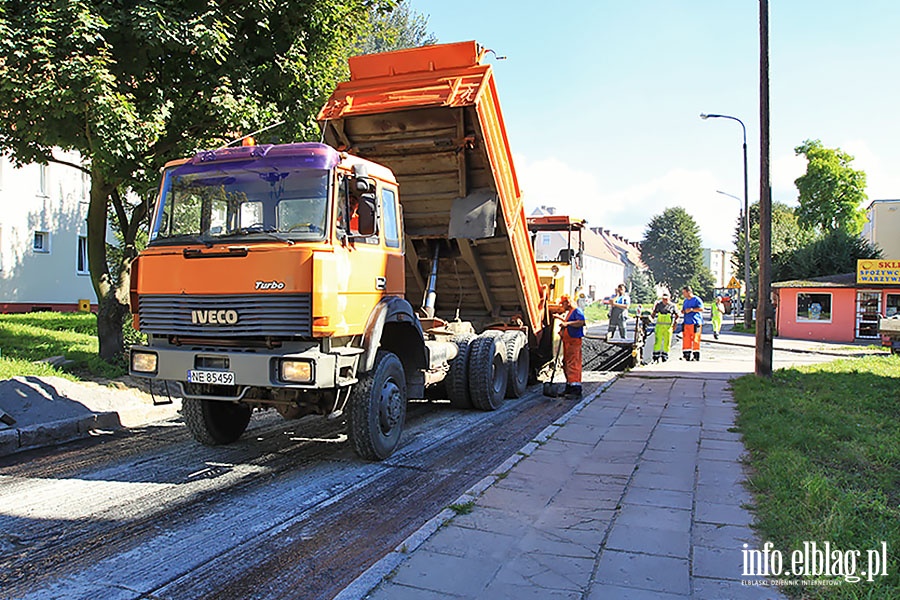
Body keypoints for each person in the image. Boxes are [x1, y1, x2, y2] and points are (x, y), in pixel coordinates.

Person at [554, 295, 585, 398]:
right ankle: (569, 387)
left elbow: (581, 322)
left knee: (573, 364)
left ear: (568, 302)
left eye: (563, 303)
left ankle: (576, 389)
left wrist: (567, 324)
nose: (562, 306)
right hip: (568, 342)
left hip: (574, 342)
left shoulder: (577, 311)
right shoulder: (570, 313)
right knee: (566, 364)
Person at [650, 292, 679, 362]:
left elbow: (677, 315)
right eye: (663, 299)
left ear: (669, 298)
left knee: (667, 341)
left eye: (666, 299)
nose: (664, 300)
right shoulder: (659, 305)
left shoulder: (672, 306)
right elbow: (654, 313)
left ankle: (665, 355)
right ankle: (656, 355)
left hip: (668, 327)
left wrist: (675, 323)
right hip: (659, 326)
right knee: (658, 341)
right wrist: (650, 319)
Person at [681, 285, 703, 361]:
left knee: (696, 339)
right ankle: (686, 355)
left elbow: (701, 309)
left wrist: (692, 309)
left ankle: (696, 355)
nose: (683, 294)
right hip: (687, 322)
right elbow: (683, 310)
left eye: (684, 292)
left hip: (695, 322)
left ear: (689, 292)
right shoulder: (685, 301)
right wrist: (683, 311)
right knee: (686, 339)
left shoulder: (697, 299)